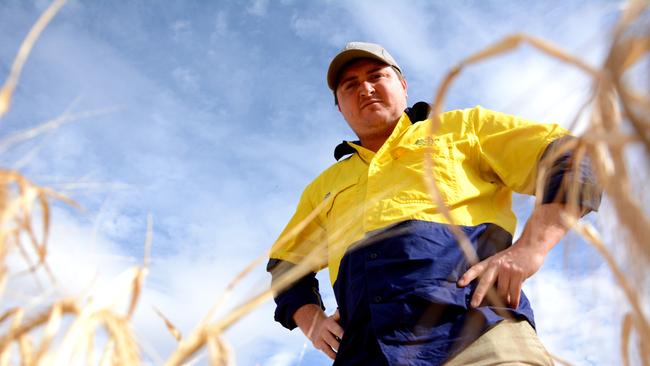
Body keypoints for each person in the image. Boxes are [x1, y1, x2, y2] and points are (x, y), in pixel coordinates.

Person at [266, 41, 600, 365]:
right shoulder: (323, 187)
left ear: (403, 85)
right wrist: (311, 321)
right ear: (340, 106)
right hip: (368, 354)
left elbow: (569, 156)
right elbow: (286, 265)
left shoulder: (462, 129)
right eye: (350, 85)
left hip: (478, 335)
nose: (364, 89)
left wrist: (531, 248)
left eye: (375, 76)